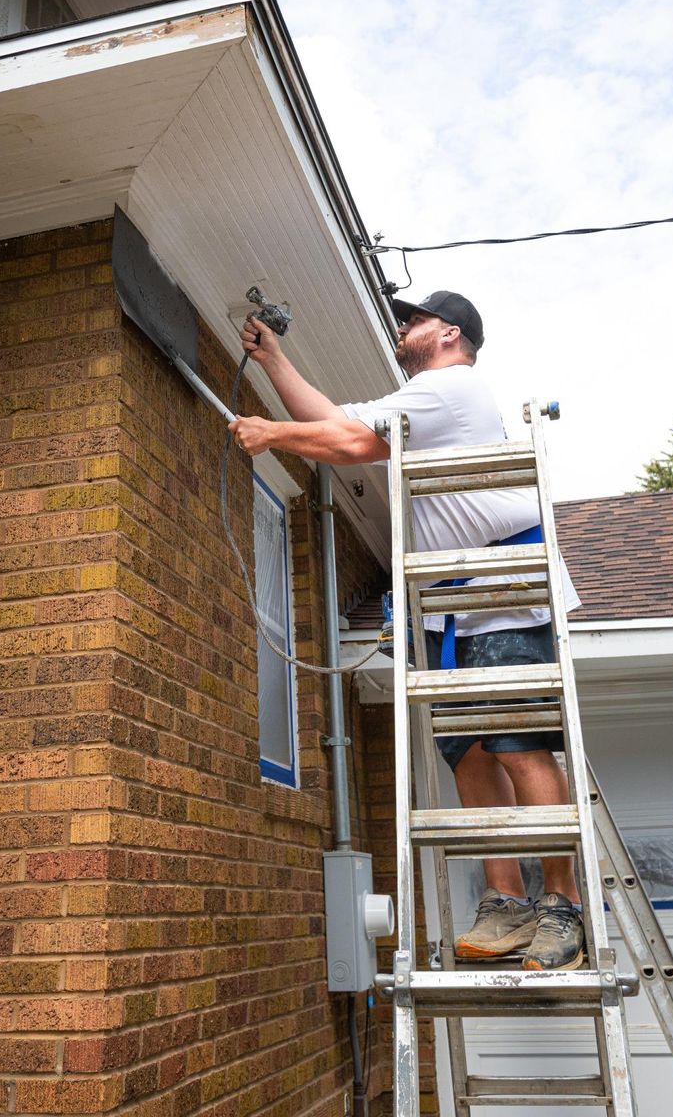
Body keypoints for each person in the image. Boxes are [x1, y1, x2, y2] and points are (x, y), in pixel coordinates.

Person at [228, 290, 585, 971]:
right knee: (471, 756)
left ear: (450, 334)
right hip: (451, 608)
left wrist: (271, 435)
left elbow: (352, 443)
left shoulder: (450, 389)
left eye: (413, 319)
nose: (401, 326)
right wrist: (275, 360)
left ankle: (561, 906)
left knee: (519, 750)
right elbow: (336, 422)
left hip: (502, 594)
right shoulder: (417, 401)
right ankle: (506, 904)